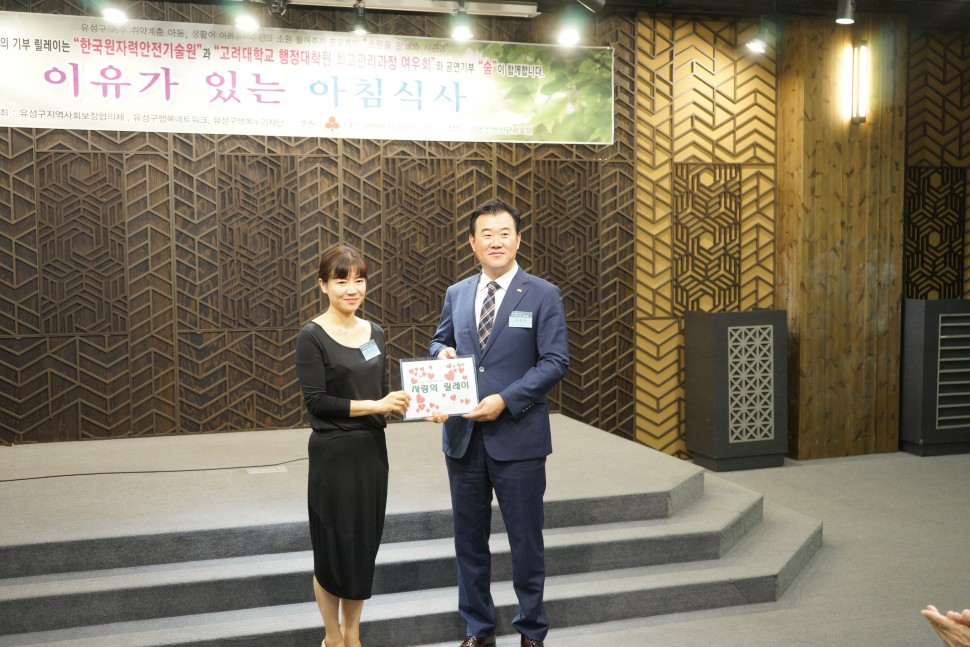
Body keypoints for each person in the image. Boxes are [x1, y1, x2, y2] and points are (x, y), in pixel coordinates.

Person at [429, 198, 569, 647]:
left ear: (518, 239)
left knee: (526, 541)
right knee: (469, 541)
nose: (496, 241)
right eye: (486, 234)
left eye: (504, 233)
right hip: (464, 437)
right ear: (472, 242)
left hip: (518, 435)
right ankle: (478, 628)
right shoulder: (457, 293)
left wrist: (505, 401)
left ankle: (532, 629)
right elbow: (438, 341)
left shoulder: (543, 293)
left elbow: (555, 362)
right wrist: (441, 354)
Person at [295, 244, 411, 647]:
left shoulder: (375, 332)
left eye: (359, 280)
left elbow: (382, 393)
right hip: (333, 454)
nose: (352, 289)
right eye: (341, 280)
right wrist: (377, 405)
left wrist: (421, 408)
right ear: (322, 285)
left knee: (363, 547)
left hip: (371, 454)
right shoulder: (311, 336)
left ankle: (352, 635)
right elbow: (317, 401)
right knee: (332, 549)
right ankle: (332, 637)